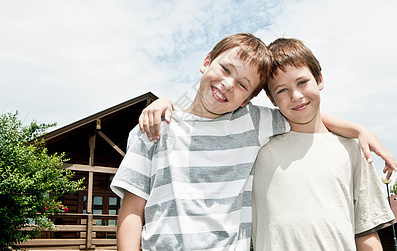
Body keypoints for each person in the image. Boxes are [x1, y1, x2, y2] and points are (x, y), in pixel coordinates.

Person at [113, 33, 396, 251]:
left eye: (242, 85)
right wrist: (164, 102)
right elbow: (131, 212)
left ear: (248, 100)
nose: (227, 84)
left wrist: (358, 129)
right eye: (225, 69)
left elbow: (302, 113)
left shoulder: (251, 122)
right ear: (206, 61)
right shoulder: (151, 129)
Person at [251, 38, 395, 250]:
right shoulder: (257, 148)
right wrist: (358, 128)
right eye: (282, 90)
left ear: (319, 79)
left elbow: (366, 231)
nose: (296, 96)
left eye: (302, 82)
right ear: (272, 100)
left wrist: (358, 131)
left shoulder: (354, 149)